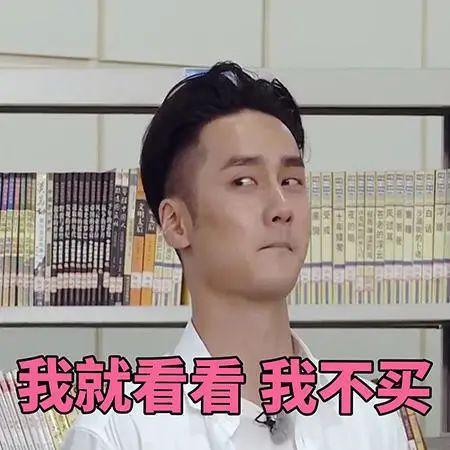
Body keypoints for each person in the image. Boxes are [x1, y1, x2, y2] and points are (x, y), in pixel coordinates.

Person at [62, 61, 408, 449]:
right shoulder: (122, 432)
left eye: (291, 181)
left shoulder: (369, 419)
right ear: (176, 223)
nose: (281, 207)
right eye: (244, 182)